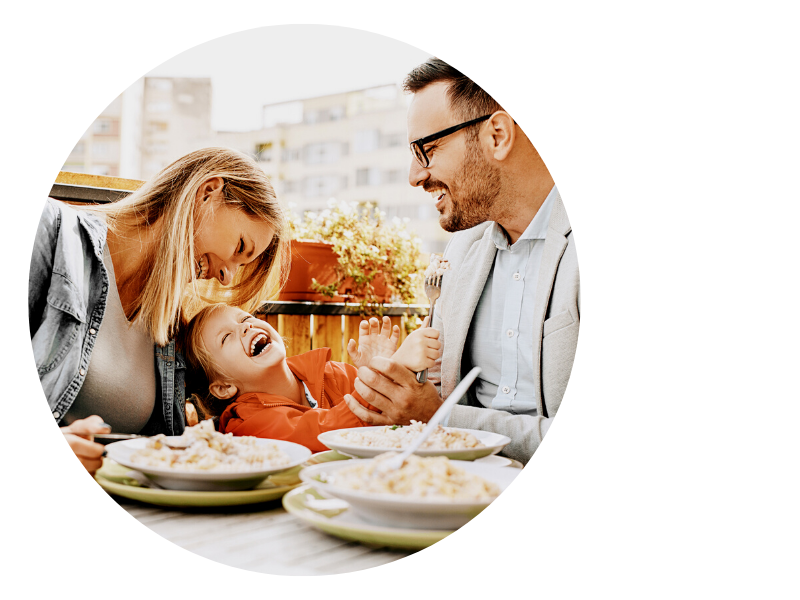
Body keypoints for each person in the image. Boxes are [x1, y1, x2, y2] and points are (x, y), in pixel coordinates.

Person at [345, 58, 580, 464]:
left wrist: (440, 418)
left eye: (428, 150)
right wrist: (400, 382)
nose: (415, 176)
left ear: (497, 135)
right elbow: (435, 388)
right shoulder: (462, 251)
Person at [29, 147, 289, 475]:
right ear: (207, 192)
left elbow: (261, 389)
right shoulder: (48, 235)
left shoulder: (169, 326)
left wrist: (366, 399)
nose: (227, 277)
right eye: (239, 248)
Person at [181, 304, 440, 452]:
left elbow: (398, 417)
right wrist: (386, 372)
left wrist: (379, 371)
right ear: (224, 387)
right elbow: (325, 431)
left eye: (246, 318)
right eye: (226, 337)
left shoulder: (335, 373)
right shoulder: (247, 424)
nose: (246, 326)